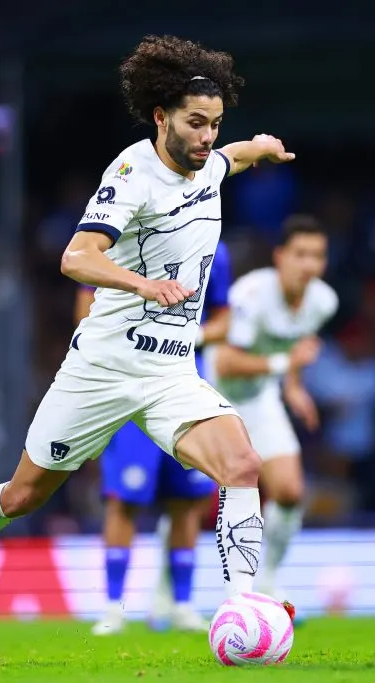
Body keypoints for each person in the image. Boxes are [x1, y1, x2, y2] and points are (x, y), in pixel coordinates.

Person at [0, 34, 297, 619]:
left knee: (242, 465)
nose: (207, 136)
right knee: (23, 494)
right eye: (195, 123)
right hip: (103, 367)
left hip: (169, 372)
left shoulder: (206, 163)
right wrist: (142, 284)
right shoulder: (133, 172)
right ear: (161, 117)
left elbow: (227, 160)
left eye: (214, 123)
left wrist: (256, 147)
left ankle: (246, 606)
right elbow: (76, 257)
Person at [78, 239, 231, 635]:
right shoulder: (119, 241)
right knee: (124, 501)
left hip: (185, 389)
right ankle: (114, 608)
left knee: (186, 501)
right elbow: (85, 313)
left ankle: (182, 605)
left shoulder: (214, 245)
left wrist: (190, 338)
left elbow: (224, 320)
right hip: (129, 389)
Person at [212, 214, 337, 598]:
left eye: (316, 256)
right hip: (214, 398)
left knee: (289, 491)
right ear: (280, 257)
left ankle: (265, 584)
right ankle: (167, 598)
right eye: (300, 254)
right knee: (185, 500)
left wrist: (294, 388)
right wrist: (287, 367)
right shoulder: (251, 294)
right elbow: (225, 362)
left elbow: (295, 346)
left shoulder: (322, 301)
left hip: (260, 398)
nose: (308, 265)